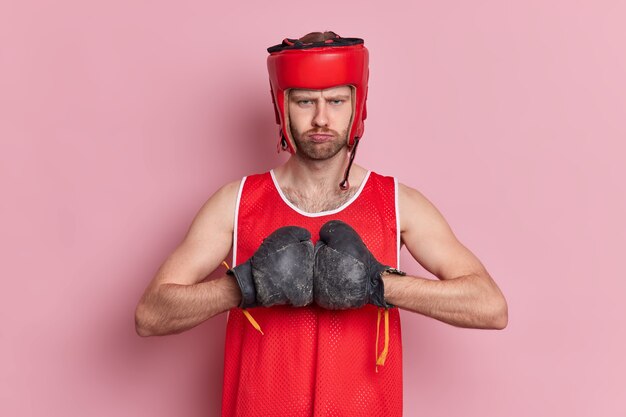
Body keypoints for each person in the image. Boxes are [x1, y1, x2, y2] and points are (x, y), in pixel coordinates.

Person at [135, 31, 508, 417]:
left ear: (357, 105)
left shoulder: (400, 203)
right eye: (304, 101)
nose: (320, 118)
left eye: (336, 100)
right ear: (282, 106)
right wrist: (244, 287)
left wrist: (378, 285)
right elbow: (150, 315)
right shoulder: (235, 201)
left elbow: (490, 306)